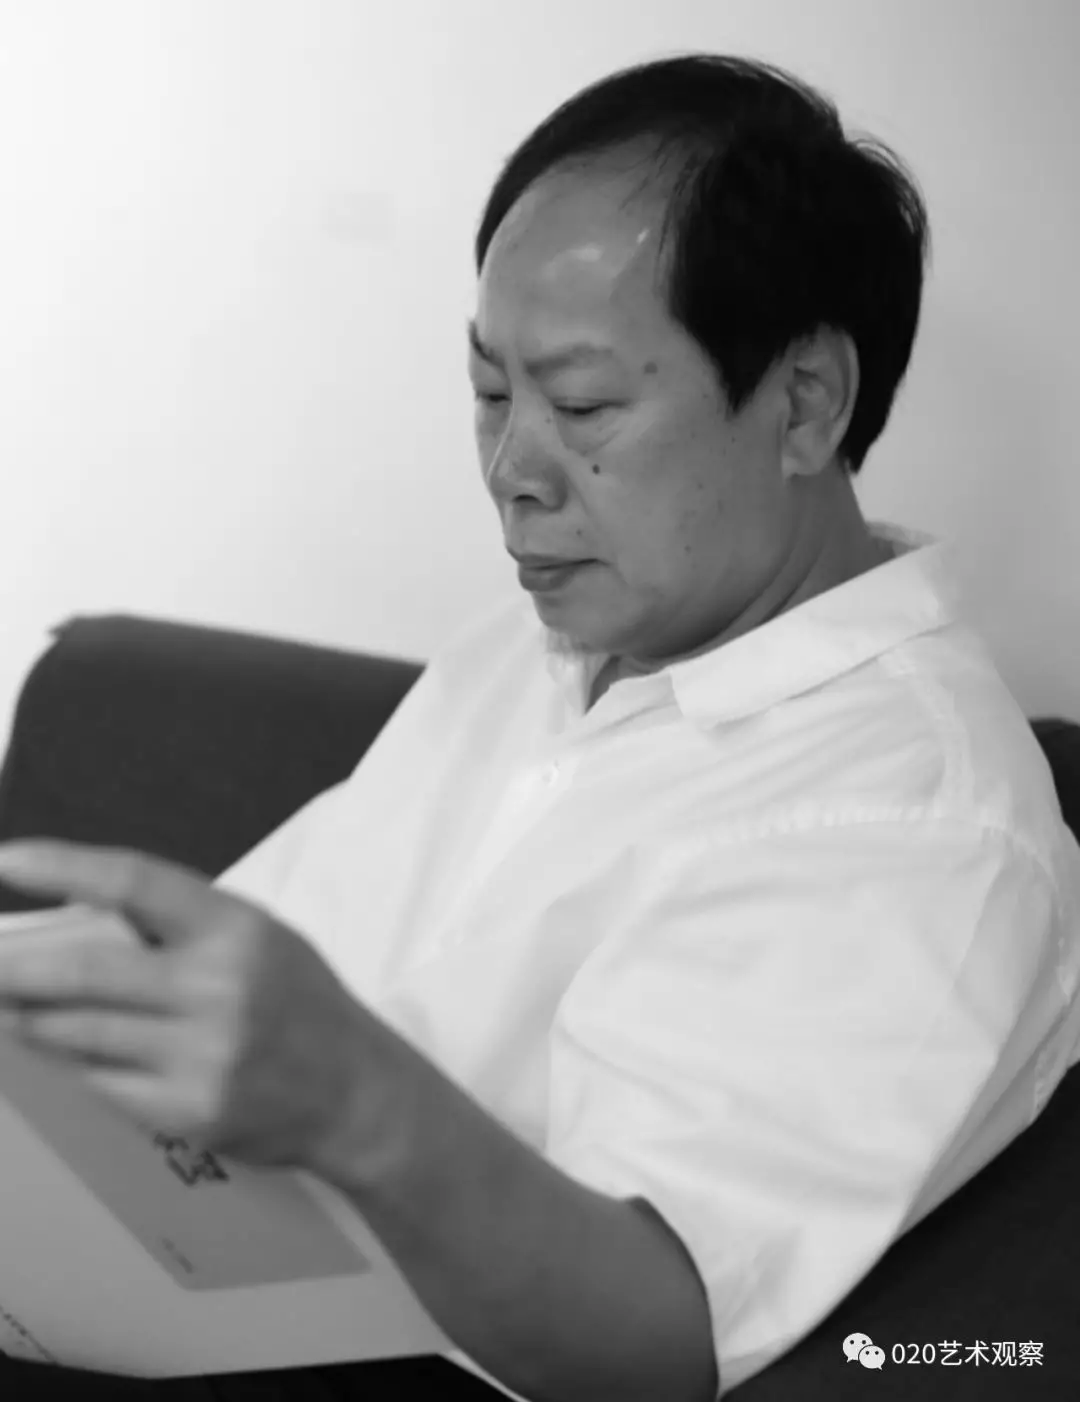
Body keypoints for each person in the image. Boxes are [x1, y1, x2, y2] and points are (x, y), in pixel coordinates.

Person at [0, 50, 1077, 1402]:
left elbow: (656, 1341)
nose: (512, 471)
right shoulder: (551, 639)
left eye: (580, 406)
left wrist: (354, 1101)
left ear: (806, 402)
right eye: (489, 392)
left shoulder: (924, 824)